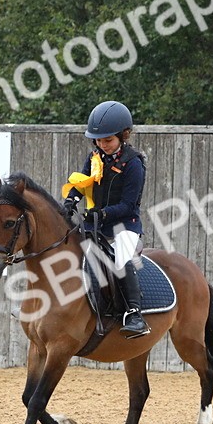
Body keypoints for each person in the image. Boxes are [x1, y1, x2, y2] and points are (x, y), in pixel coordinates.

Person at [63, 100, 150, 338]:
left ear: (123, 135)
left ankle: (134, 314)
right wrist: (71, 200)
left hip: (125, 225)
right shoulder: (95, 157)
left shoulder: (133, 164)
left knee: (122, 258)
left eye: (108, 140)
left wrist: (102, 213)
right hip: (95, 224)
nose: (103, 145)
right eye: (99, 140)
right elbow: (82, 183)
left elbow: (128, 205)